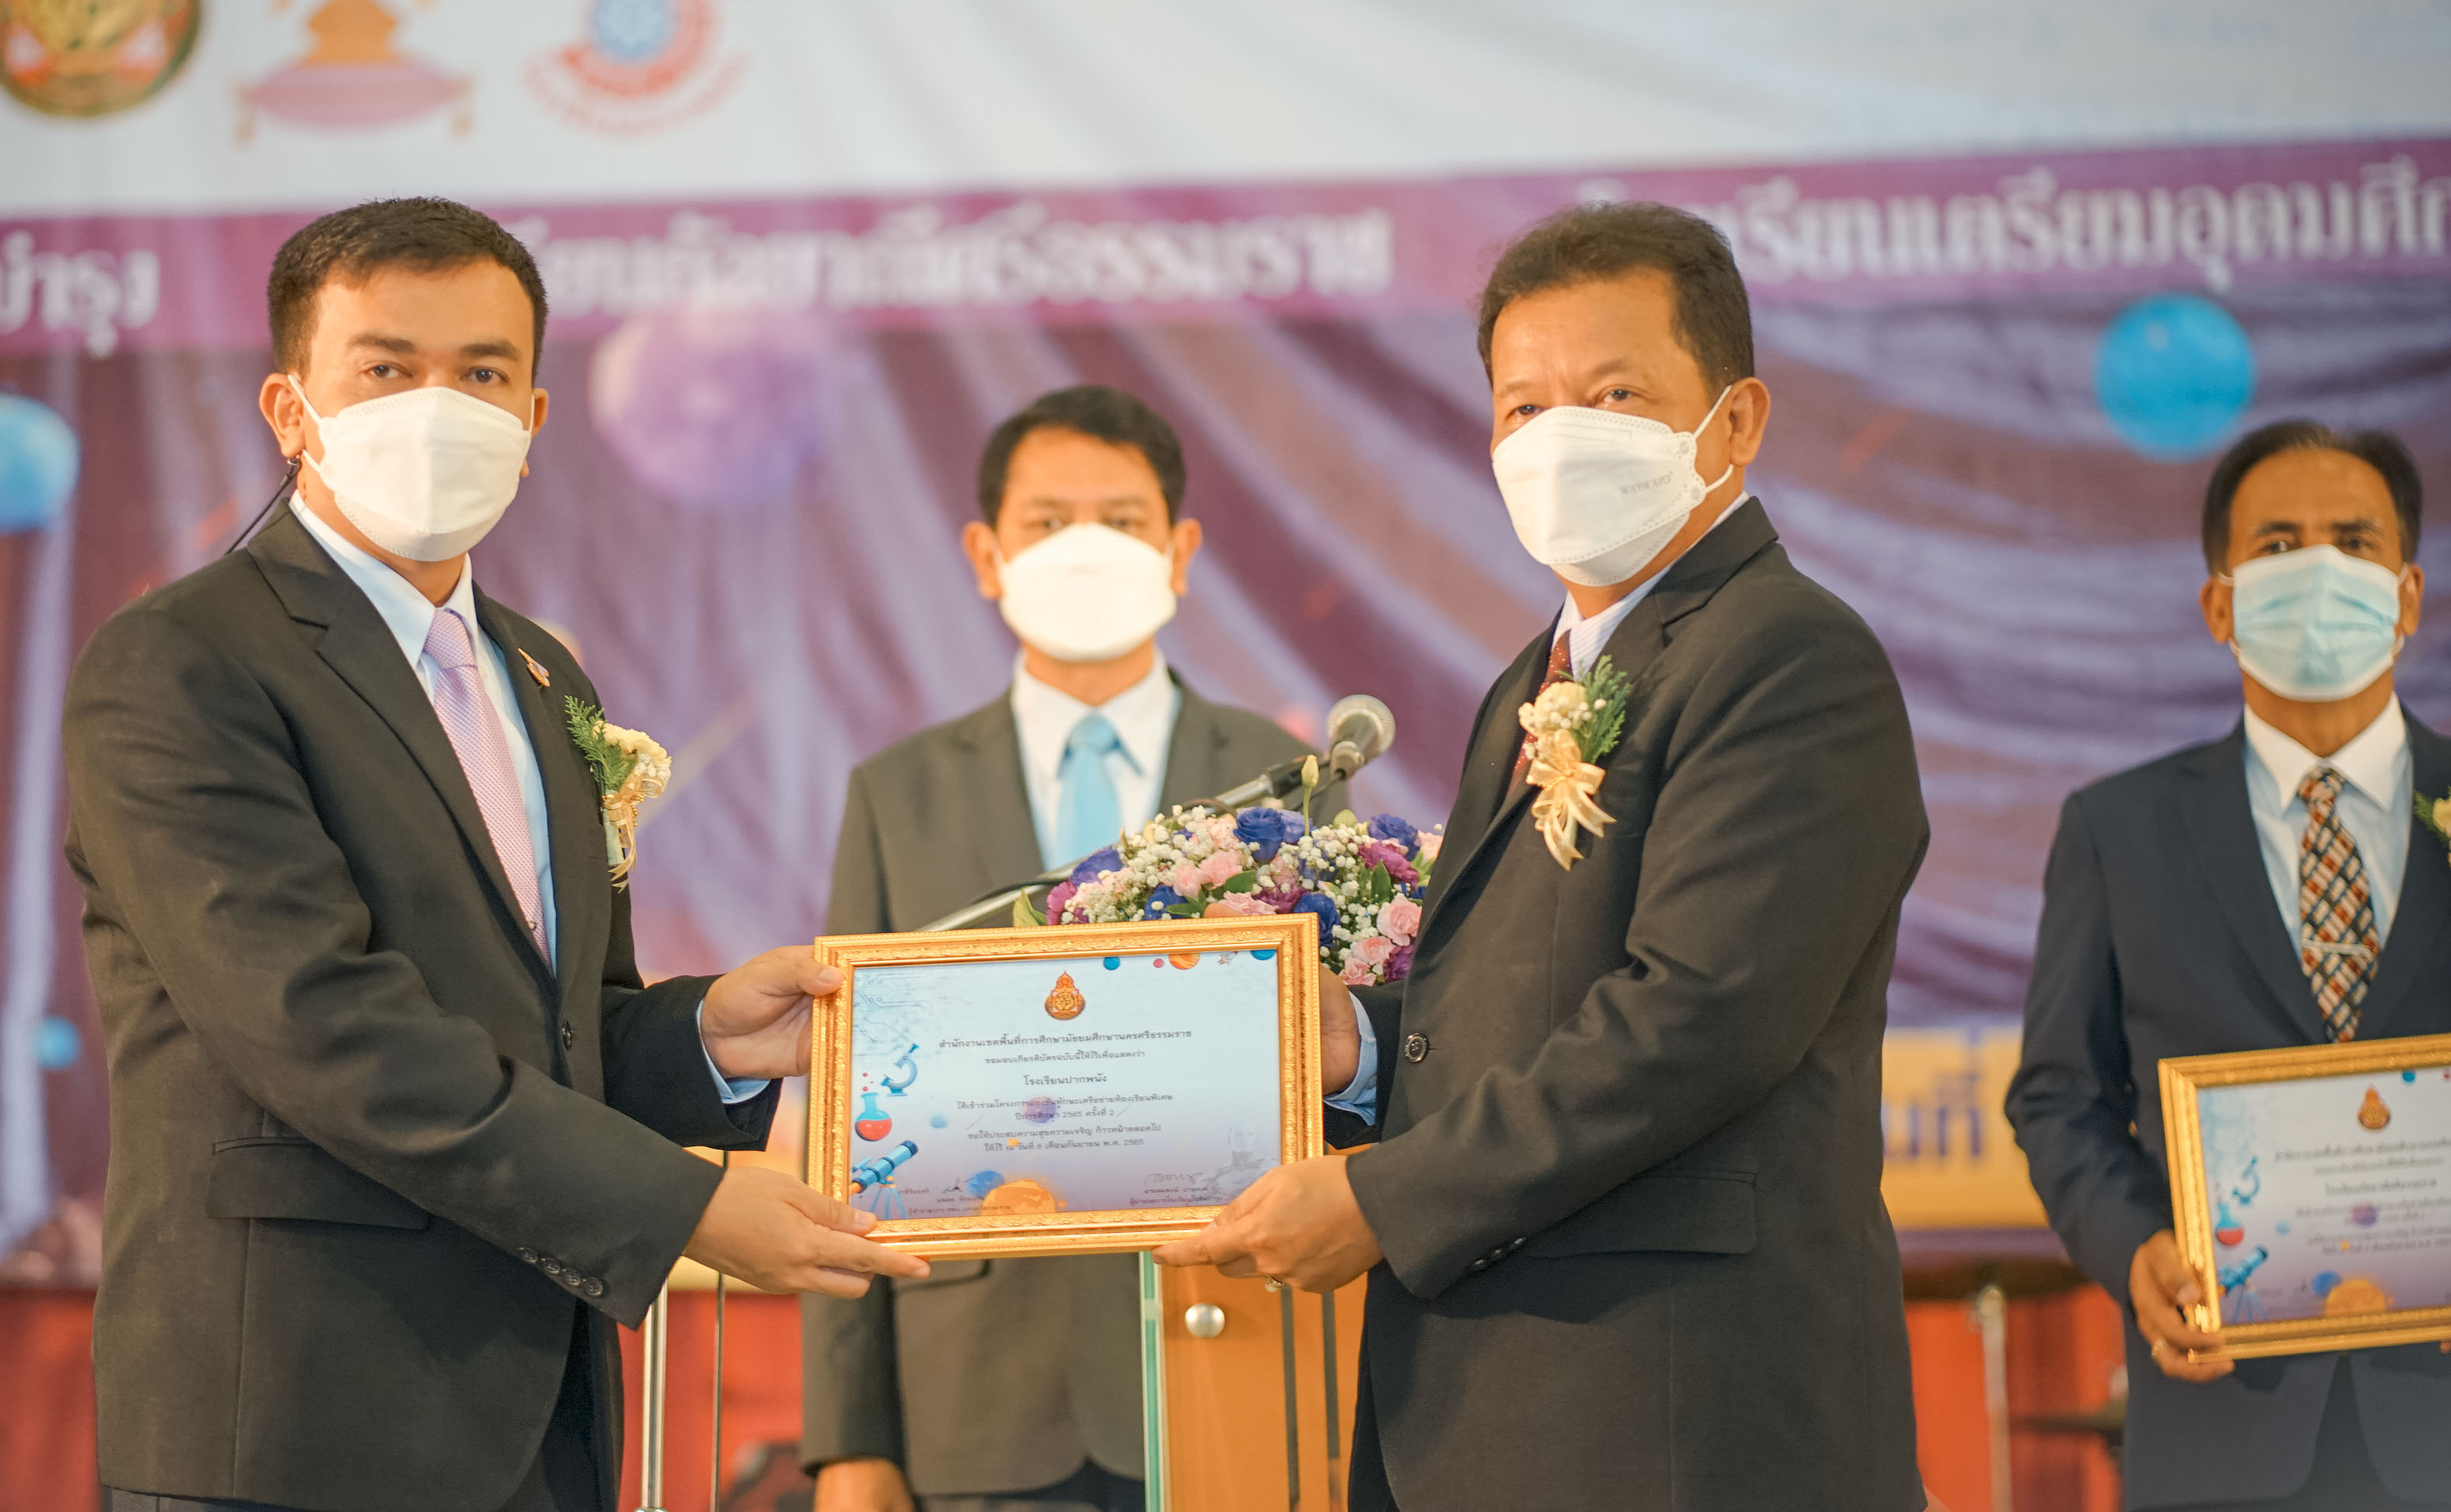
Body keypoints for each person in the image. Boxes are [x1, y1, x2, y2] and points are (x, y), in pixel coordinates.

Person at [63, 197, 926, 1512]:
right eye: (386, 369)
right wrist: (682, 1208)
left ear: (531, 419)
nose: (438, 407)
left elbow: (556, 1028)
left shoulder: (541, 676)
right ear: (291, 411)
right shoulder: (183, 663)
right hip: (295, 1416)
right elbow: (320, 1026)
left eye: (481, 374)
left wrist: (705, 1039)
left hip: (539, 1421)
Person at [1157, 202, 1928, 1511]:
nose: (1562, 436)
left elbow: (1698, 1020)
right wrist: (1360, 1047)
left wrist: (1383, 1198)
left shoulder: (1788, 656)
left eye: (1617, 394)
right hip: (1506, 1410)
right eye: (1526, 407)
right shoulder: (1535, 678)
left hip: (1674, 1420)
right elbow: (1529, 1004)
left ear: (1735, 422)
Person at [805, 386, 1347, 1512]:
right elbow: (845, 1111)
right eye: (1050, 522)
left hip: (1237, 1346)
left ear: (1180, 552)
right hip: (980, 1393)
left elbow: (1341, 1070)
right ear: (987, 554)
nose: (1085, 549)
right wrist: (849, 1441)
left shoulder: (1289, 783)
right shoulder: (898, 795)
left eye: (1123, 520)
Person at [2008, 421, 2449, 1510]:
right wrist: (2138, 1252)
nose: (2319, 571)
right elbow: (2059, 1098)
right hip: (2223, 1427)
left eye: (2354, 542)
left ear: (2407, 596)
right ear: (2220, 604)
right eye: (2279, 546)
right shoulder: (2120, 831)